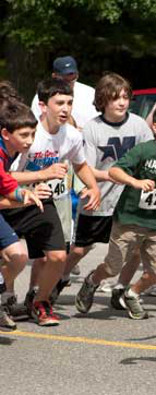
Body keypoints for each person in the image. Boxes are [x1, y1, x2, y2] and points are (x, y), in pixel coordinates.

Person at [75, 103, 156, 319]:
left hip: (155, 223)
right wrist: (135, 182)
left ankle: (132, 293)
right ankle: (92, 281)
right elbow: (115, 171)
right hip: (128, 219)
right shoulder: (144, 150)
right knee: (112, 268)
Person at [5, 78, 100, 326]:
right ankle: (7, 300)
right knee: (9, 254)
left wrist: (93, 187)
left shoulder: (70, 135)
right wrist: (41, 175)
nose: (65, 108)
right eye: (59, 103)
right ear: (43, 106)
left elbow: (80, 164)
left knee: (58, 256)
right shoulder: (27, 136)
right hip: (11, 199)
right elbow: (7, 176)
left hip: (40, 201)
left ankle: (40, 301)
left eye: (69, 103)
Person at [56, 73, 154, 305]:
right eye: (115, 98)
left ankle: (120, 289)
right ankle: (60, 278)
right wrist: (118, 176)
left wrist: (137, 180)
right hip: (99, 198)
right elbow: (86, 168)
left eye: (125, 97)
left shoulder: (139, 125)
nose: (121, 102)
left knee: (135, 249)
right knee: (81, 249)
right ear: (102, 101)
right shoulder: (92, 128)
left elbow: (149, 158)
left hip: (129, 201)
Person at [0, 91, 51, 330]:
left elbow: (8, 187)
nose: (30, 141)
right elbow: (8, 188)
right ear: (6, 134)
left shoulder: (11, 152)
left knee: (18, 256)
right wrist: (25, 196)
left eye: (32, 134)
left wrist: (24, 195)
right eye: (24, 135)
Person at [31, 56, 98, 128]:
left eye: (73, 77)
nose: (69, 83)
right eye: (65, 79)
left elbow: (97, 124)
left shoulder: (89, 93)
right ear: (54, 76)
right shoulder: (43, 96)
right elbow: (36, 125)